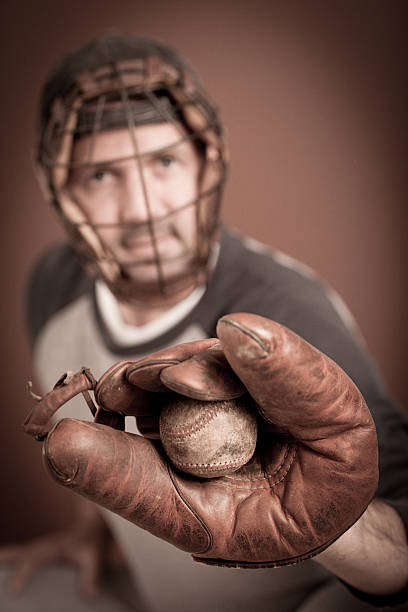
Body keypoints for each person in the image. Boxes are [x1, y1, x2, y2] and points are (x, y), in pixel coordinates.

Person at [3, 31, 408, 611]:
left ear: (205, 162)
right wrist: (91, 529)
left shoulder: (280, 314)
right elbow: (97, 440)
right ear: (61, 192)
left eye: (163, 160)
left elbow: (404, 548)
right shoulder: (51, 287)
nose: (141, 209)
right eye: (100, 175)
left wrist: (334, 526)